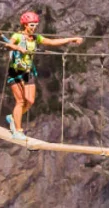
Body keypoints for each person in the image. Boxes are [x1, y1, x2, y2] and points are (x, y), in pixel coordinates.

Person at [5, 11, 83, 140]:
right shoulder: (18, 36)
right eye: (31, 25)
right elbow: (8, 44)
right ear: (25, 25)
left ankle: (13, 117)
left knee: (30, 101)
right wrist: (18, 48)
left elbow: (52, 42)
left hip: (28, 71)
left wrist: (71, 39)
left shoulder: (36, 38)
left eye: (35, 25)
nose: (34, 27)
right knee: (20, 101)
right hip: (16, 72)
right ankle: (17, 130)